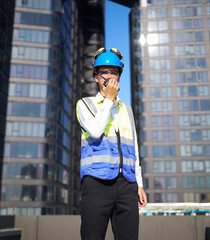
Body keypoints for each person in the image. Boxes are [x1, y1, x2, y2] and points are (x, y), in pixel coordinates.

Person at [76, 47, 147, 240]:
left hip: (127, 184)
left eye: (114, 72)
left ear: (120, 76)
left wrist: (139, 184)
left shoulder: (127, 110)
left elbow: (135, 149)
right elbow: (96, 131)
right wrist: (107, 100)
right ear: (96, 77)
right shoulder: (85, 104)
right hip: (96, 182)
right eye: (104, 72)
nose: (110, 76)